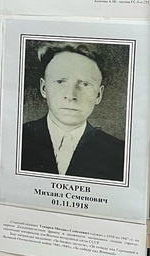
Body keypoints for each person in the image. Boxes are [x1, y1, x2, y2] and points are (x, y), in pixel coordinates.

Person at [21, 42, 125, 181]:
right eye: (60, 82)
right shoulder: (17, 138)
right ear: (44, 88)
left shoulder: (120, 152)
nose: (71, 95)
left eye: (85, 84)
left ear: (98, 95)